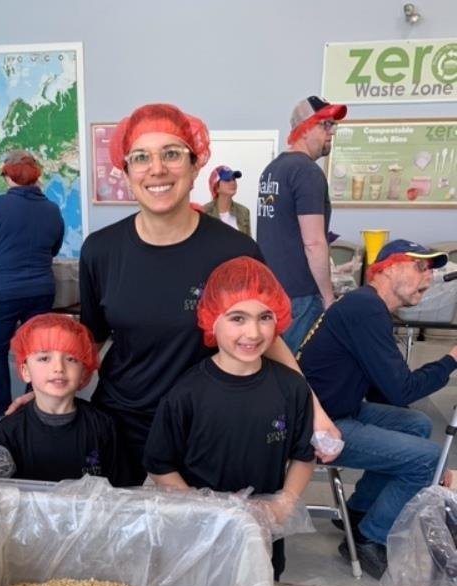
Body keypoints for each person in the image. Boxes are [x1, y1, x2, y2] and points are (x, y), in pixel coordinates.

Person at [77, 102, 337, 486]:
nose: (157, 169)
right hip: (123, 422)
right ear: (127, 170)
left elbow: (265, 336)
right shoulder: (100, 250)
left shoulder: (234, 250)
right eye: (141, 158)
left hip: (211, 423)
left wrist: (316, 411)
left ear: (197, 165)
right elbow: (90, 338)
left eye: (172, 154)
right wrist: (45, 392)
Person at [144, 257, 315, 580]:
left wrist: (284, 503)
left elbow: (304, 455)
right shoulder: (186, 393)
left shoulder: (292, 388)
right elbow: (160, 465)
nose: (252, 332)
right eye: (238, 318)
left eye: (265, 317)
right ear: (212, 320)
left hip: (262, 535)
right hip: (198, 538)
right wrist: (201, 510)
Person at [299, 239, 457, 578]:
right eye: (420, 266)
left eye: (430, 269)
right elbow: (402, 390)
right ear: (386, 268)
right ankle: (373, 537)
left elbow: (387, 391)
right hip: (317, 424)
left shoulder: (366, 306)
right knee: (426, 458)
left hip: (341, 408)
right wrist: (451, 360)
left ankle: (358, 513)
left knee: (415, 425)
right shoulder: (366, 308)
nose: (428, 278)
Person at [0, 150, 65, 430]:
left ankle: (0, 409)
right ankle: (35, 404)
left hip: (4, 291)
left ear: (8, 176)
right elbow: (54, 248)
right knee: (37, 349)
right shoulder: (51, 209)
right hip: (41, 288)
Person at [256, 96, 347, 353]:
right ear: (305, 128)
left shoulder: (272, 169)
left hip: (272, 290)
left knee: (274, 364)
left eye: (333, 126)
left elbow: (282, 230)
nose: (331, 132)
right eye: (325, 125)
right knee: (296, 369)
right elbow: (313, 242)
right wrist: (329, 298)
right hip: (300, 296)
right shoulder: (306, 172)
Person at [0, 313, 118, 484]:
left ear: (83, 373)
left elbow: (114, 489)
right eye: (44, 358)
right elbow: (2, 491)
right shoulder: (8, 431)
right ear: (25, 371)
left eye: (71, 358)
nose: (59, 368)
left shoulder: (102, 426)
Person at [203, 165, 252, 236]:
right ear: (216, 187)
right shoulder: (204, 213)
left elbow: (249, 244)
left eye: (234, 179)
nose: (233, 183)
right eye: (227, 180)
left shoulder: (244, 212)